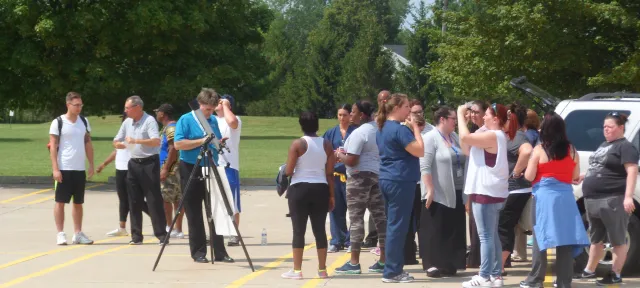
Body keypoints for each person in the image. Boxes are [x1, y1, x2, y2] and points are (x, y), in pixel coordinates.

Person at [519, 112, 590, 288]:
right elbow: (574, 176)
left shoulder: (539, 150)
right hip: (565, 198)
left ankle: (536, 279)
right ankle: (565, 282)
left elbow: (529, 176)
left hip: (544, 198)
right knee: (564, 241)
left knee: (540, 239)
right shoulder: (572, 150)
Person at [576, 111, 639, 285]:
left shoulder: (625, 147)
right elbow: (598, 166)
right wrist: (584, 175)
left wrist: (628, 197)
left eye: (610, 127)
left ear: (620, 128)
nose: (606, 130)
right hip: (593, 199)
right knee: (596, 238)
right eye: (604, 127)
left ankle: (615, 274)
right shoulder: (604, 144)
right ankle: (589, 270)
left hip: (612, 199)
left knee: (618, 238)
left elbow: (632, 171)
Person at [174, 88, 234, 263]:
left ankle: (220, 252)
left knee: (216, 210)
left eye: (212, 109)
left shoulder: (213, 120)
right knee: (194, 212)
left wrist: (218, 143)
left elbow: (213, 141)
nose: (209, 113)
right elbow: (178, 144)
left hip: (211, 166)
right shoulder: (186, 119)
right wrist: (201, 141)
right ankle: (199, 252)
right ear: (199, 106)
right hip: (190, 167)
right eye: (206, 109)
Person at [457, 103, 509, 288]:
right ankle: (495, 276)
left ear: (495, 119)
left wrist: (459, 114)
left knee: (485, 236)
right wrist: (468, 121)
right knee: (492, 235)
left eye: (486, 115)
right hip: (491, 191)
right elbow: (466, 148)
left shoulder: (493, 135)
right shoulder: (494, 134)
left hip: (485, 191)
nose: (483, 118)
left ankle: (484, 276)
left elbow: (464, 136)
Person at [375, 93, 424, 283]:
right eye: (406, 108)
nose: (409, 112)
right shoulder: (399, 129)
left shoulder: (382, 127)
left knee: (392, 225)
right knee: (398, 226)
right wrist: (416, 129)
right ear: (396, 108)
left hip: (388, 178)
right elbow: (420, 150)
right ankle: (393, 271)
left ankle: (391, 267)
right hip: (400, 180)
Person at [281, 111, 335, 280]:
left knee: (299, 230)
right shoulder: (327, 144)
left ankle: (297, 270)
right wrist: (331, 196)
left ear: (301, 125)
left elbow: (289, 171)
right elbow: (330, 173)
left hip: (300, 189)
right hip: (321, 188)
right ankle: (322, 269)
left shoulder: (298, 144)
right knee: (320, 230)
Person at [335, 100, 386, 275]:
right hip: (377, 176)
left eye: (353, 113)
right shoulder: (378, 130)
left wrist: (340, 154)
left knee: (356, 219)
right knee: (381, 218)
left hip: (358, 177)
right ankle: (384, 260)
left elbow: (352, 160)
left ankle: (354, 262)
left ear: (362, 115)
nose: (350, 116)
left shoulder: (360, 132)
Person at [419, 106, 467, 278]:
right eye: (453, 119)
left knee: (452, 227)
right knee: (434, 228)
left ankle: (449, 262)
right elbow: (424, 166)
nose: (455, 122)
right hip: (437, 190)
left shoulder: (454, 137)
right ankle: (431, 264)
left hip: (457, 190)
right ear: (443, 119)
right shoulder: (430, 137)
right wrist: (430, 189)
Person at [113, 95, 168, 245]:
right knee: (134, 200)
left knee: (153, 199)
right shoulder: (127, 123)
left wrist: (136, 141)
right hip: (133, 163)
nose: (125, 110)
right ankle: (136, 236)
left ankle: (162, 234)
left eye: (127, 108)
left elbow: (156, 141)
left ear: (137, 108)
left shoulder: (149, 121)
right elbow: (117, 139)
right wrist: (118, 144)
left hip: (149, 163)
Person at [49, 91, 95, 245]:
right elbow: (53, 146)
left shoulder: (84, 121)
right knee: (60, 201)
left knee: (78, 202)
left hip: (79, 168)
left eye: (81, 105)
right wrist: (55, 169)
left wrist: (91, 164)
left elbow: (87, 142)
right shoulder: (58, 122)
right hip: (64, 167)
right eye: (76, 105)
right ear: (68, 105)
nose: (79, 108)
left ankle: (78, 233)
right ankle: (60, 233)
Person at [97, 112, 149, 237]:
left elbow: (133, 148)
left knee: (136, 200)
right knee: (123, 199)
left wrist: (124, 144)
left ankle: (160, 220)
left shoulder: (135, 135)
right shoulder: (122, 134)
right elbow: (116, 150)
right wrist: (104, 164)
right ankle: (122, 227)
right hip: (120, 168)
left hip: (130, 168)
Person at [498, 104, 533, 275]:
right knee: (505, 227)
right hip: (516, 190)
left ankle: (500, 266)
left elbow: (527, 152)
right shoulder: (513, 136)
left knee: (503, 227)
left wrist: (516, 172)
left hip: (515, 190)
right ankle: (501, 264)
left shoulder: (517, 137)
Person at [323, 104, 356, 252]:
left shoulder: (356, 132)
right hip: (335, 176)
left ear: (350, 115)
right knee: (335, 208)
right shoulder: (330, 133)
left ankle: (351, 240)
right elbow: (323, 151)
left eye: (345, 115)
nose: (342, 118)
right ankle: (337, 240)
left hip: (352, 176)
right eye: (340, 115)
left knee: (354, 210)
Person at [214, 94, 243, 246]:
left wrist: (225, 104)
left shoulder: (234, 118)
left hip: (229, 165)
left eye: (220, 101)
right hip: (214, 164)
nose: (216, 104)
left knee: (232, 202)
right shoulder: (211, 120)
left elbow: (232, 122)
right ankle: (215, 234)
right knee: (214, 200)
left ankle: (234, 233)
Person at [154, 104, 185, 239]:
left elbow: (173, 148)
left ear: (163, 114)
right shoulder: (168, 127)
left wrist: (166, 168)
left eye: (158, 112)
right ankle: (177, 229)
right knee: (177, 199)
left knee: (167, 199)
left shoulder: (171, 128)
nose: (156, 114)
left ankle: (170, 227)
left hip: (170, 169)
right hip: (173, 168)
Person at [466, 100, 489, 269]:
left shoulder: (486, 133)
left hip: (483, 183)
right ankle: (476, 258)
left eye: (476, 112)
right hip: (473, 181)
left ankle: (481, 260)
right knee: (475, 223)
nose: (473, 115)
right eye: (471, 112)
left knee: (482, 225)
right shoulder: (474, 130)